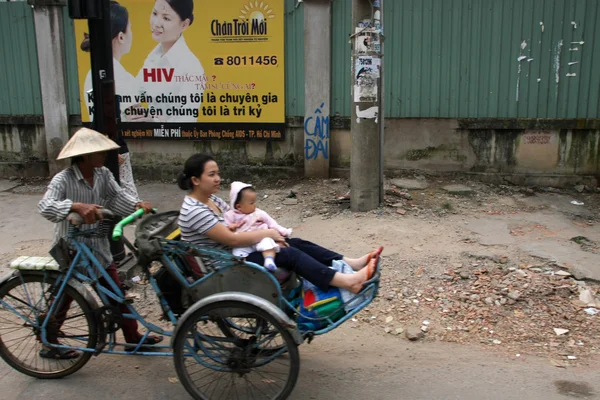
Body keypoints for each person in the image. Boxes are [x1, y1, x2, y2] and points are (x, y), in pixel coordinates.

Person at [177, 153, 382, 295]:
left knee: (296, 243)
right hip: (224, 266)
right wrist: (268, 234)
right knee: (290, 254)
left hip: (236, 252)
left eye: (217, 173)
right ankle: (348, 281)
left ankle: (350, 263)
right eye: (211, 175)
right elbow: (231, 238)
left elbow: (237, 224)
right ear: (195, 180)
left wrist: (270, 235)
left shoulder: (212, 200)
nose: (217, 179)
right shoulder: (195, 211)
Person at [38, 127, 162, 359]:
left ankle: (133, 338)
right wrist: (74, 206)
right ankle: (49, 343)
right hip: (72, 246)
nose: (104, 155)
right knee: (66, 294)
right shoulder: (62, 179)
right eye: (100, 151)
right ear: (85, 155)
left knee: (115, 291)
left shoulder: (103, 174)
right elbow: (45, 206)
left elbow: (117, 198)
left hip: (97, 246)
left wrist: (136, 205)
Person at [81, 1, 141, 201]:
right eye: (130, 27)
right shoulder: (120, 78)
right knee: (127, 195)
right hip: (113, 144)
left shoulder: (93, 73)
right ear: (121, 36)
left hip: (96, 142)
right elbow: (137, 114)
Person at [136, 0, 204, 122]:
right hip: (147, 137)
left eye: (166, 18)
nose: (156, 23)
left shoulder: (191, 67)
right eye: (155, 13)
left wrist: (153, 121)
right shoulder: (153, 57)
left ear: (184, 25)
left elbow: (186, 120)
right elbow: (132, 94)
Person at [224, 181, 293, 283]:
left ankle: (269, 260)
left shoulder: (258, 213)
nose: (255, 205)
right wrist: (231, 227)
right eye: (251, 203)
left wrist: (284, 232)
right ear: (239, 206)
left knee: (268, 244)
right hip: (243, 243)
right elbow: (225, 229)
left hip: (260, 239)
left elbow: (272, 223)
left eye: (255, 201)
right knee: (237, 253)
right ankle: (244, 271)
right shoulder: (230, 215)